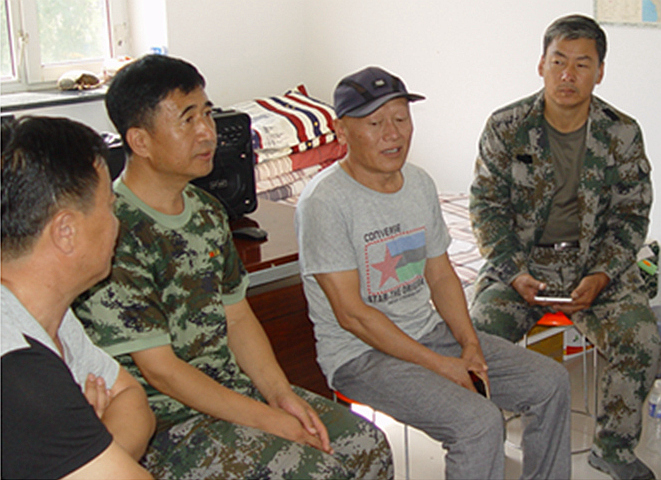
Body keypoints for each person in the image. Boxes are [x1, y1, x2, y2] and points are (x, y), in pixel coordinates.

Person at [72, 54, 393, 480]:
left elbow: (238, 317)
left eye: (207, 114)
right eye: (188, 120)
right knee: (316, 471)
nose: (208, 132)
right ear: (140, 141)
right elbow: (161, 371)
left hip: (234, 393)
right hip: (166, 425)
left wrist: (280, 395)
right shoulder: (116, 230)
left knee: (367, 445)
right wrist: (268, 421)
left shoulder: (206, 210)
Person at [295, 65, 572, 480]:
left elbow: (441, 275)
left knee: (550, 381)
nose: (393, 134)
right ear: (342, 131)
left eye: (401, 118)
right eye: (375, 123)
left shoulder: (419, 184)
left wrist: (469, 343)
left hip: (428, 332)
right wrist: (439, 365)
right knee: (478, 423)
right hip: (360, 354)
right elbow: (352, 316)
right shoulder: (325, 202)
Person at [469, 14, 661, 480]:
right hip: (523, 266)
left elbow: (631, 215)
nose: (568, 75)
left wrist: (602, 274)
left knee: (641, 335)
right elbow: (486, 208)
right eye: (558, 62)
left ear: (600, 72)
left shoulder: (621, 133)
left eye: (582, 64)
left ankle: (613, 448)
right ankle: (481, 440)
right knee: (477, 338)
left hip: (595, 264)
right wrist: (514, 272)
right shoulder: (506, 127)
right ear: (541, 64)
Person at [1, 116, 155, 480]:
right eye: (110, 206)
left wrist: (91, 450)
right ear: (66, 231)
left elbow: (131, 397)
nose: (117, 223)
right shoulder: (16, 365)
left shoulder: (41, 310)